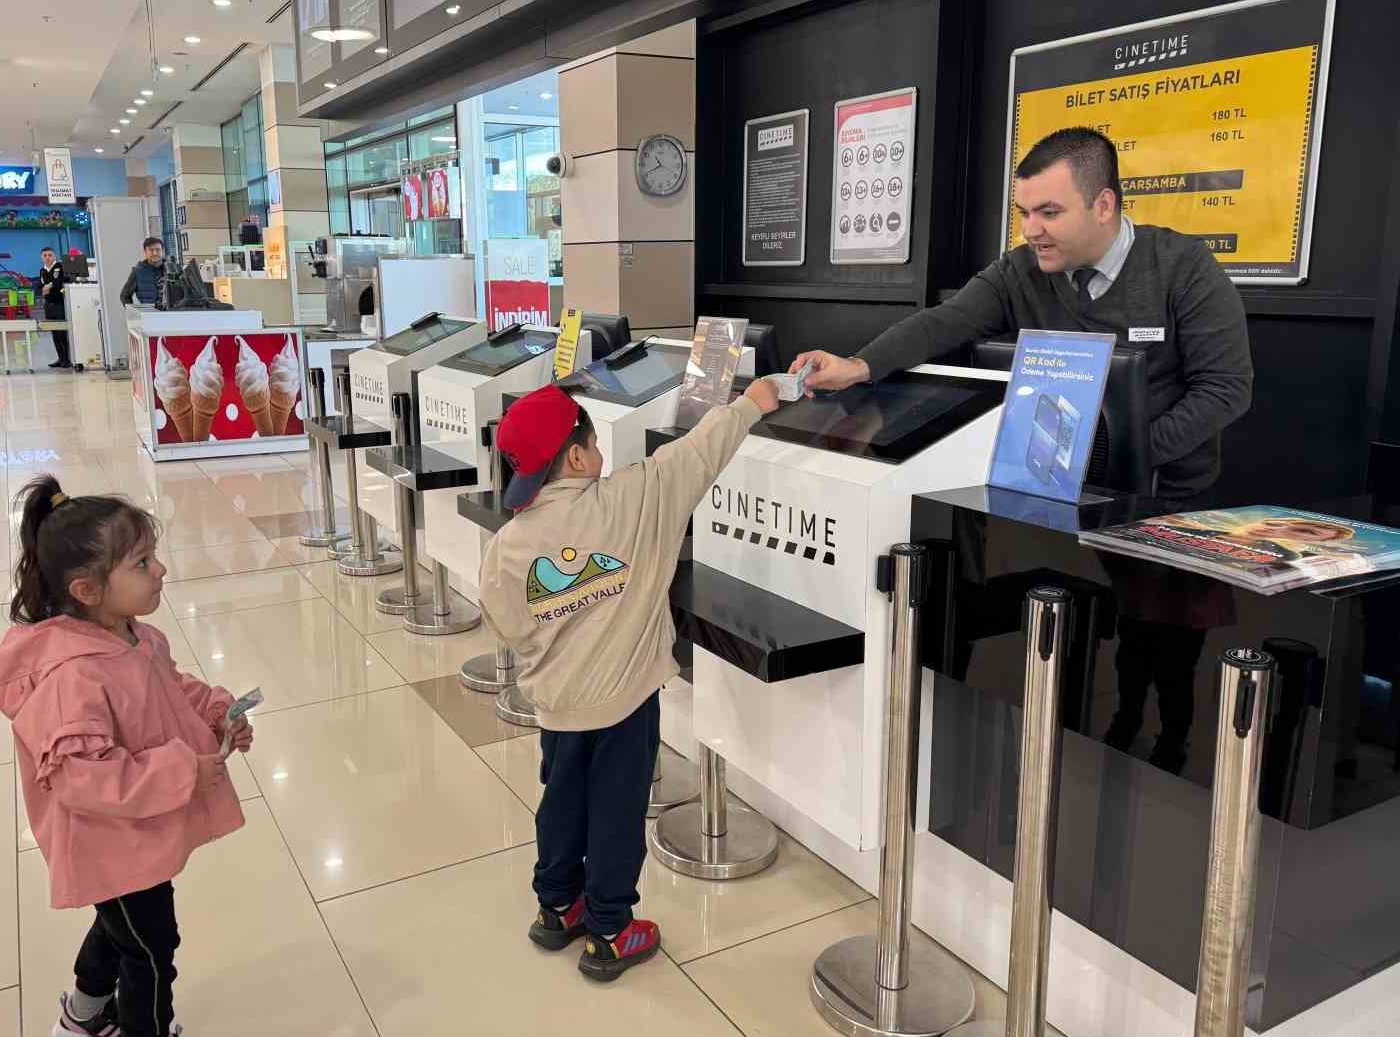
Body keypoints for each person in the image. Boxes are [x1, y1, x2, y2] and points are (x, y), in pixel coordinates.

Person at [479, 377, 780, 981]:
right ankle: (612, 932)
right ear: (577, 455)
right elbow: (696, 453)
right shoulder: (634, 502)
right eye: (591, 439)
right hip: (625, 704)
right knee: (616, 812)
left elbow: (506, 622)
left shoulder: (509, 545)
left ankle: (559, 906)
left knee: (561, 801)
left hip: (558, 707)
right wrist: (755, 400)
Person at [791, 126, 1254, 502]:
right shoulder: (1020, 269)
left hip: (1166, 502)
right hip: (1053, 489)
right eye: (1025, 212)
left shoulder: (1184, 266)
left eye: (1049, 212)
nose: (1032, 230)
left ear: (1104, 205)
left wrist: (1125, 455)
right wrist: (857, 366)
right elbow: (944, 322)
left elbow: (1225, 389)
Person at [0, 475, 250, 1037]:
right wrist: (184, 769)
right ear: (86, 589)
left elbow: (165, 686)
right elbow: (83, 777)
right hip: (110, 837)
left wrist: (214, 708)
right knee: (151, 945)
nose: (159, 569)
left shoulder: (130, 634)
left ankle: (84, 1017)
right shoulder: (73, 675)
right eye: (141, 562)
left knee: (119, 926)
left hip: (131, 836)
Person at [39, 247, 71, 368]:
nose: (47, 257)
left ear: (54, 256)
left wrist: (51, 285)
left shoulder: (59, 267)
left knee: (62, 331)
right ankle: (60, 358)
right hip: (49, 305)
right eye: (45, 255)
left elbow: (63, 279)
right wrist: (42, 289)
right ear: (41, 257)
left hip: (59, 304)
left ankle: (67, 359)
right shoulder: (42, 270)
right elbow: (41, 284)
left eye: (50, 255)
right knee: (54, 332)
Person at [120, 237, 167, 306]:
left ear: (162, 251)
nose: (155, 253)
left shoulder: (173, 269)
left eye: (158, 250)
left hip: (172, 314)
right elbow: (124, 296)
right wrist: (135, 313)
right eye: (151, 250)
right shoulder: (137, 272)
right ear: (145, 252)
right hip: (150, 315)